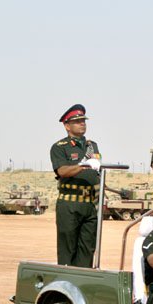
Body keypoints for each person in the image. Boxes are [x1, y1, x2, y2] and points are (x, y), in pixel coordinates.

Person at [49, 104, 101, 268]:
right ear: (67, 125)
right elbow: (62, 171)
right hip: (70, 205)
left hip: (89, 204)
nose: (82, 124)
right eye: (77, 121)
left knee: (87, 249)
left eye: (83, 120)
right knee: (67, 249)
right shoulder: (59, 147)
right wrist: (84, 165)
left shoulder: (92, 146)